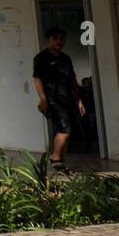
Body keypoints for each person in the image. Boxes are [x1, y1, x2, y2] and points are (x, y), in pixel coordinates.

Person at [32, 27, 86, 170]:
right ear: (49, 40)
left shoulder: (65, 58)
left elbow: (72, 80)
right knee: (64, 129)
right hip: (52, 99)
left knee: (67, 132)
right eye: (55, 39)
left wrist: (79, 100)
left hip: (67, 98)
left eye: (61, 39)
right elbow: (37, 79)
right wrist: (43, 99)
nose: (59, 42)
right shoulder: (42, 58)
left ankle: (61, 162)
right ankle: (55, 157)